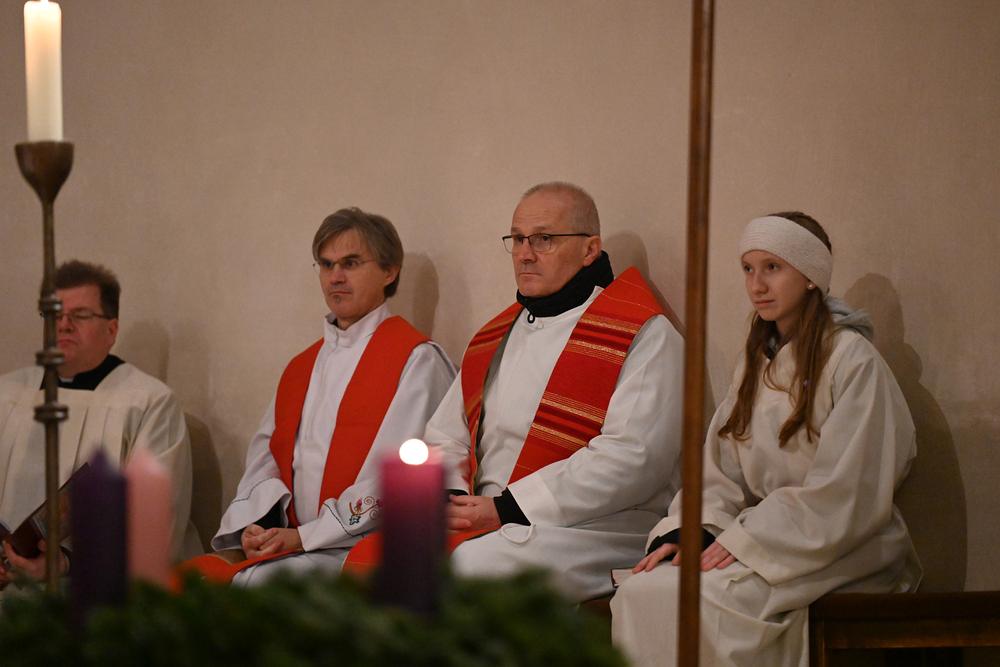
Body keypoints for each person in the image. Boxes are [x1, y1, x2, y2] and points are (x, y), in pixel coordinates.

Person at [610, 213, 922, 667]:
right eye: (748, 268)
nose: (756, 285)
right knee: (643, 590)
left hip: (844, 545)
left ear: (811, 275)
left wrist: (747, 539)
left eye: (772, 267)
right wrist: (694, 530)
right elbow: (720, 471)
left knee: (704, 602)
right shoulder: (755, 364)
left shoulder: (853, 361)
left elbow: (848, 491)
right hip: (767, 538)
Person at [423, 182, 685, 602]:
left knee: (470, 571)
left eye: (544, 239)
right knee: (385, 559)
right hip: (488, 517)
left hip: (596, 527)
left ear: (590, 249)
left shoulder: (642, 334)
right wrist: (453, 497)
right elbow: (445, 434)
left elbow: (633, 459)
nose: (525, 254)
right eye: (517, 239)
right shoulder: (497, 334)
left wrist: (507, 508)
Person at [205, 207, 455, 586]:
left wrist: (309, 536)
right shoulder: (301, 367)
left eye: (350, 263)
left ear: (390, 271)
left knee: (259, 588)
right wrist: (259, 527)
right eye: (326, 264)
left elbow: (400, 474)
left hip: (370, 548)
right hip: (296, 544)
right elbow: (267, 460)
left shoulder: (416, 359)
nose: (335, 277)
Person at [0, 260, 202, 589]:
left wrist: (66, 562)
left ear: (111, 330)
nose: (63, 325)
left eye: (80, 315)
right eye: (53, 313)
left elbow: (155, 526)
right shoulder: (7, 393)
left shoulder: (148, 403)